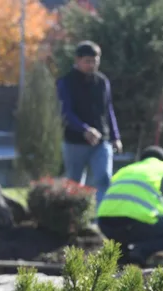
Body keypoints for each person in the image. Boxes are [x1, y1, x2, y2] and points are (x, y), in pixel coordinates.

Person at [96, 146, 163, 266]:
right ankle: (140, 250)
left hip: (105, 224)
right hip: (136, 224)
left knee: (129, 229)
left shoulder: (126, 170)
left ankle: (124, 253)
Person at [56, 40, 122, 208]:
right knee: (74, 184)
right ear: (77, 60)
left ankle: (102, 219)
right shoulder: (66, 82)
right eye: (88, 61)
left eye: (95, 61)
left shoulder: (102, 82)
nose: (92, 65)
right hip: (74, 143)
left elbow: (108, 110)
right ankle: (75, 219)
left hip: (101, 142)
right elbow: (65, 112)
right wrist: (84, 129)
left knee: (104, 178)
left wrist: (115, 136)